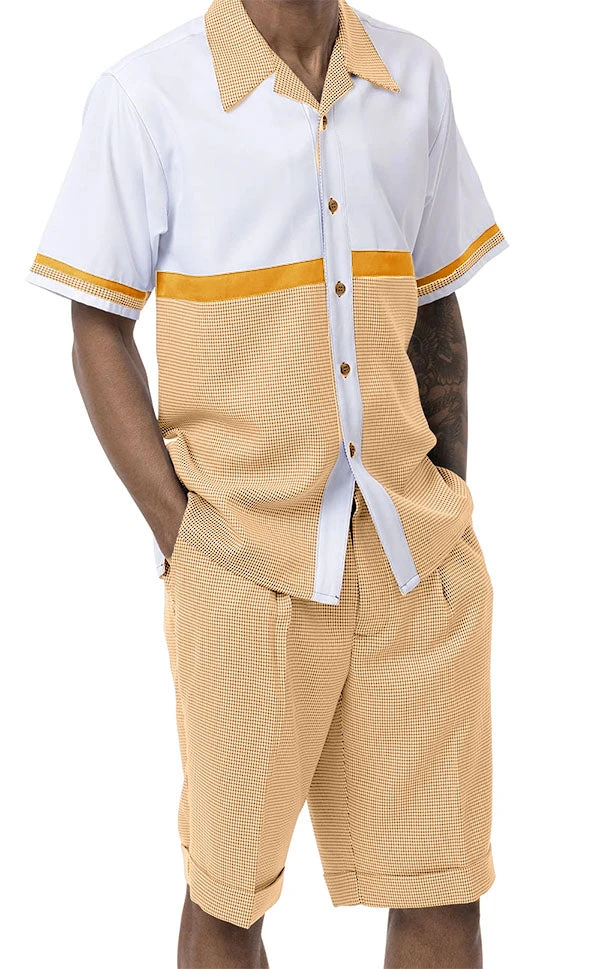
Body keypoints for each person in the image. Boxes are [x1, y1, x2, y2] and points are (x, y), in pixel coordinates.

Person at [27, 1, 507, 966]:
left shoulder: (416, 77)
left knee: (442, 884)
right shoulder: (146, 95)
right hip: (244, 563)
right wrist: (184, 536)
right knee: (229, 892)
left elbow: (435, 305)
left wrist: (447, 499)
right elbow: (96, 328)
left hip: (413, 556)